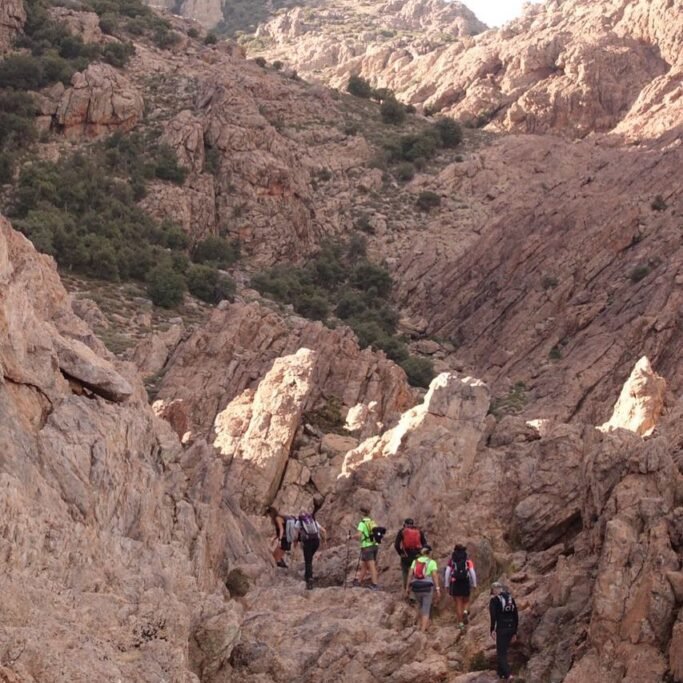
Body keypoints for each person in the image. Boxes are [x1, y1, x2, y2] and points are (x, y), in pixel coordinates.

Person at [405, 545, 441, 631]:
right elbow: (435, 576)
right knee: (426, 608)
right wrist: (437, 589)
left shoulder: (415, 561)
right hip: (427, 587)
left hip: (416, 587)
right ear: (429, 553)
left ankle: (419, 625)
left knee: (419, 606)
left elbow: (410, 574)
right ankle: (422, 630)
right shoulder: (432, 562)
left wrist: (407, 587)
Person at [489, 582, 519, 681]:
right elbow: (516, 615)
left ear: (494, 590)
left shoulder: (494, 600)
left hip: (502, 628)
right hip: (511, 627)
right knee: (503, 650)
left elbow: (493, 616)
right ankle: (500, 673)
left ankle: (508, 674)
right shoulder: (510, 599)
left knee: (501, 653)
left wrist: (492, 629)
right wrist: (514, 632)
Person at [444, 544, 477, 630]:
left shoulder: (451, 561)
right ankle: (465, 612)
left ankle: (461, 624)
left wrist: (447, 584)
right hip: (465, 582)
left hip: (455, 582)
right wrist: (474, 584)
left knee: (458, 603)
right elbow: (472, 572)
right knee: (466, 601)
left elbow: (447, 572)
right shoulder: (467, 561)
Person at [295, 511, 327, 590]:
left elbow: (296, 533)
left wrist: (295, 542)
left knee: (308, 560)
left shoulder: (299, 522)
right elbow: (324, 530)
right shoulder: (313, 520)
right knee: (309, 559)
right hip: (316, 541)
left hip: (307, 542)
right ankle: (307, 575)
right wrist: (325, 541)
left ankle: (309, 579)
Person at [394, 518, 427, 591]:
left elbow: (396, 545)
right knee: (415, 573)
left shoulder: (402, 531)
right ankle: (415, 592)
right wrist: (420, 553)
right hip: (416, 555)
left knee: (405, 572)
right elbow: (425, 544)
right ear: (412, 524)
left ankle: (406, 589)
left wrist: (401, 553)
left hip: (406, 555)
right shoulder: (419, 531)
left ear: (405, 524)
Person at [353, 506, 381, 590]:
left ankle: (375, 584)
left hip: (366, 547)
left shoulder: (362, 523)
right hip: (374, 546)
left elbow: (359, 535)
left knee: (372, 566)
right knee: (364, 565)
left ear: (362, 514)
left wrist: (350, 537)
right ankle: (358, 581)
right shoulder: (373, 522)